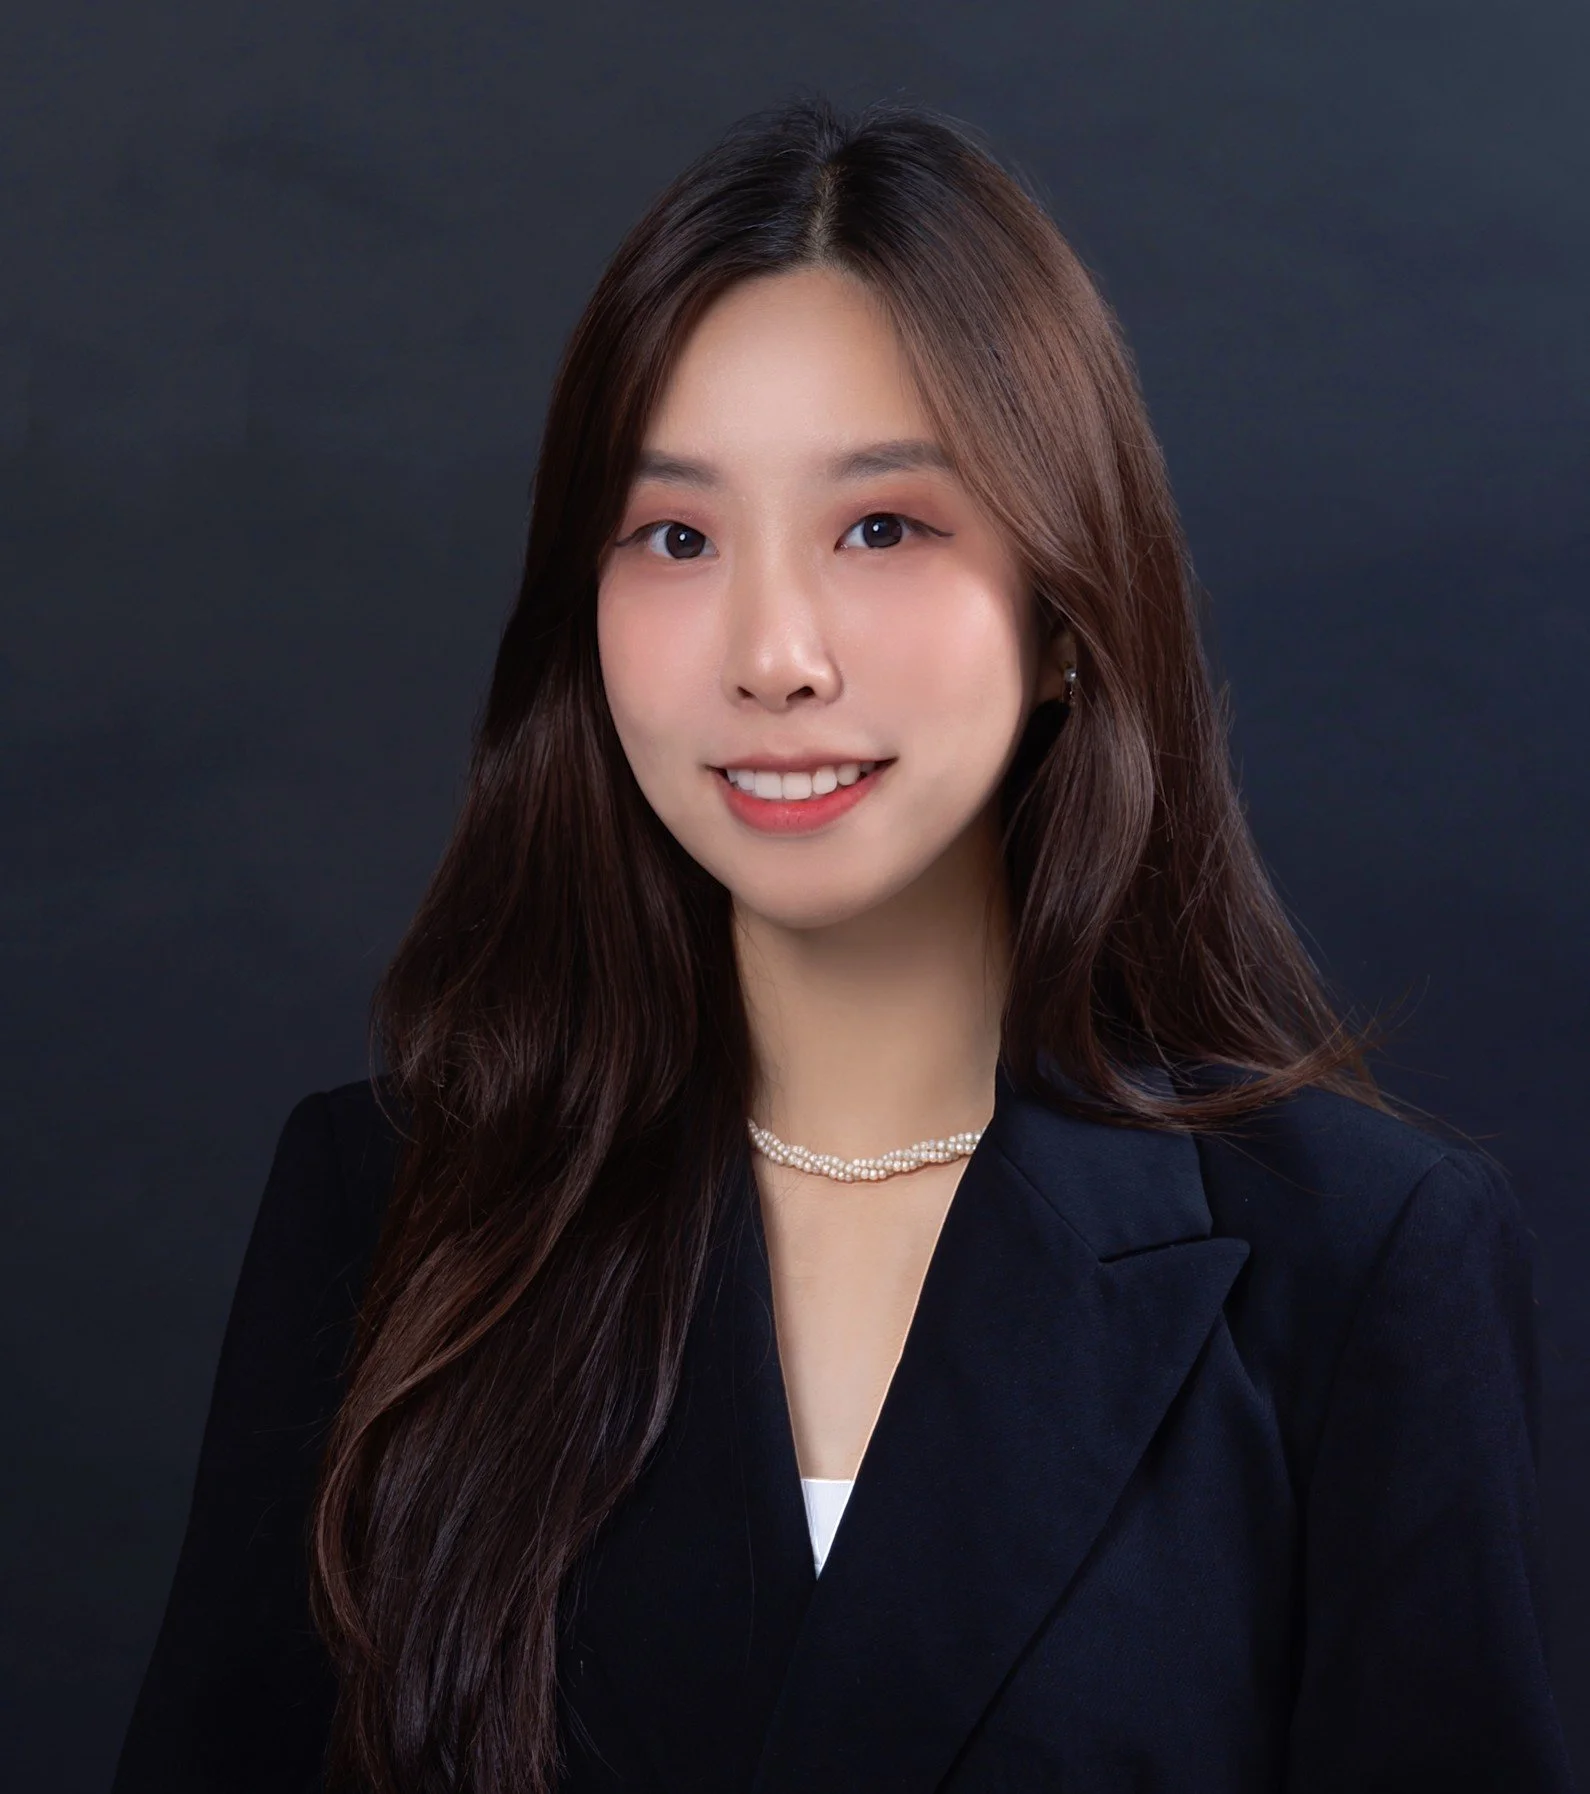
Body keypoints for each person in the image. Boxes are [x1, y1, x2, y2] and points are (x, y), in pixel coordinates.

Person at [112, 100, 1575, 1793]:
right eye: (676, 537)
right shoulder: (387, 1204)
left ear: (1065, 616)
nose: (772, 652)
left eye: (883, 527)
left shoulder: (1356, 1256)